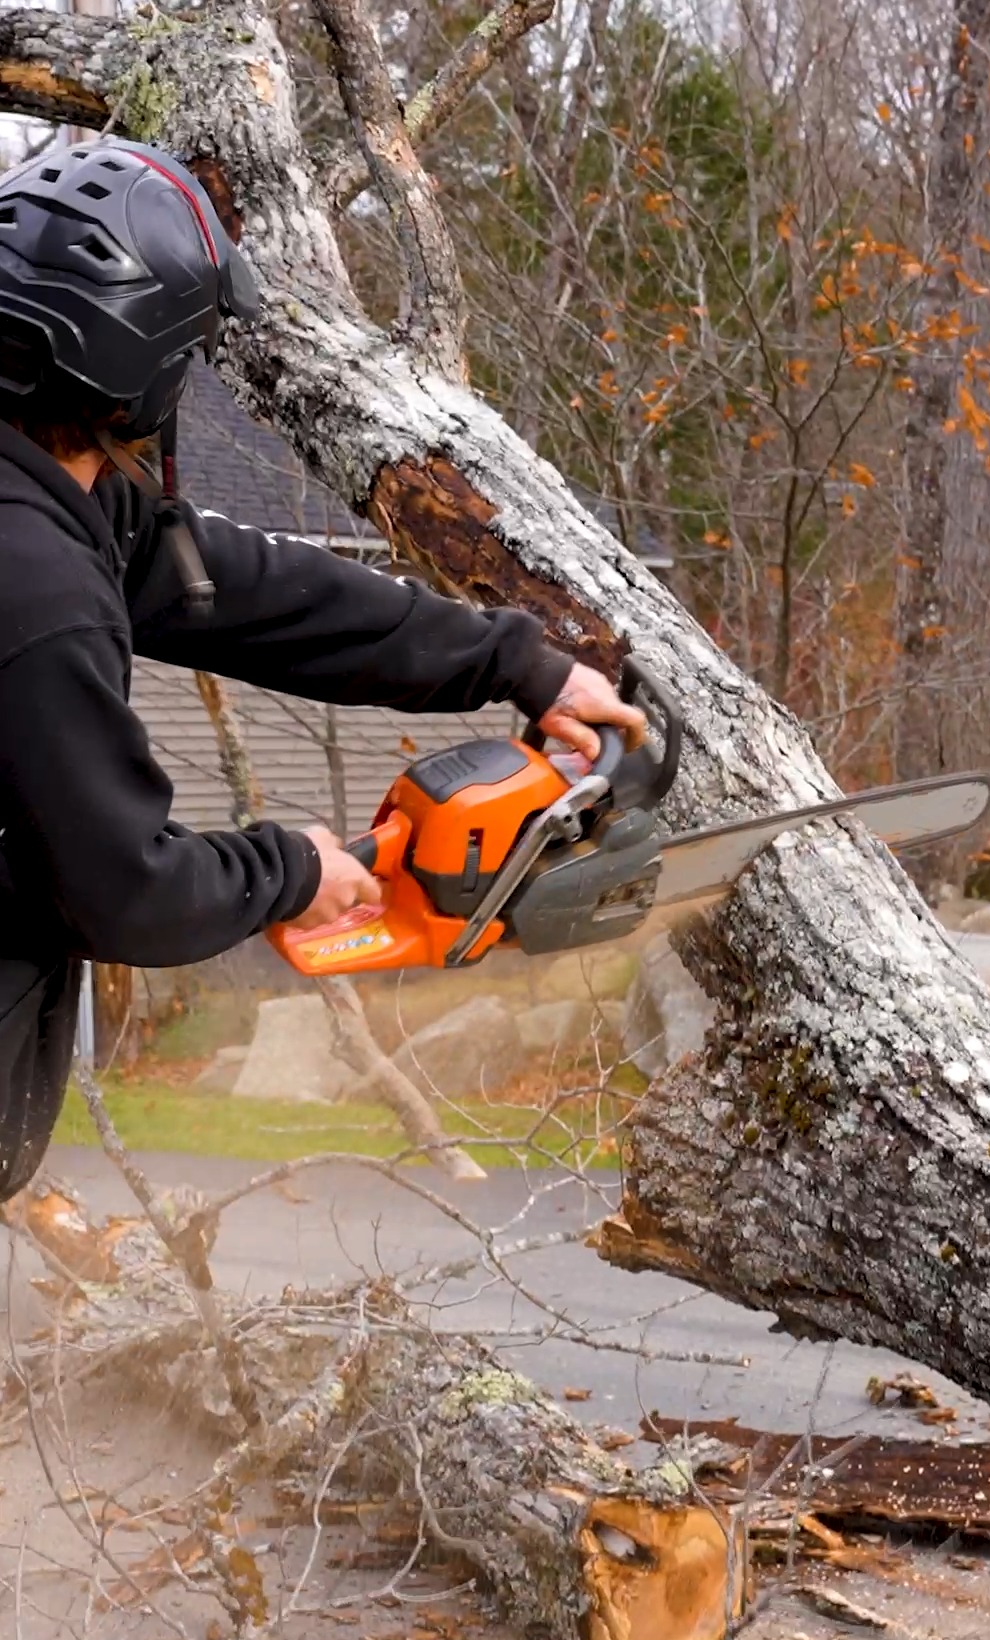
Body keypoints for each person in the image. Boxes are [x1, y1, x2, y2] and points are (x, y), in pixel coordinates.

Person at [0, 138, 643, 1203]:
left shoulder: (60, 514)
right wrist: (292, 870)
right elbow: (131, 895)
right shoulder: (38, 594)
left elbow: (248, 592)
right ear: (141, 368)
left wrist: (517, 662)